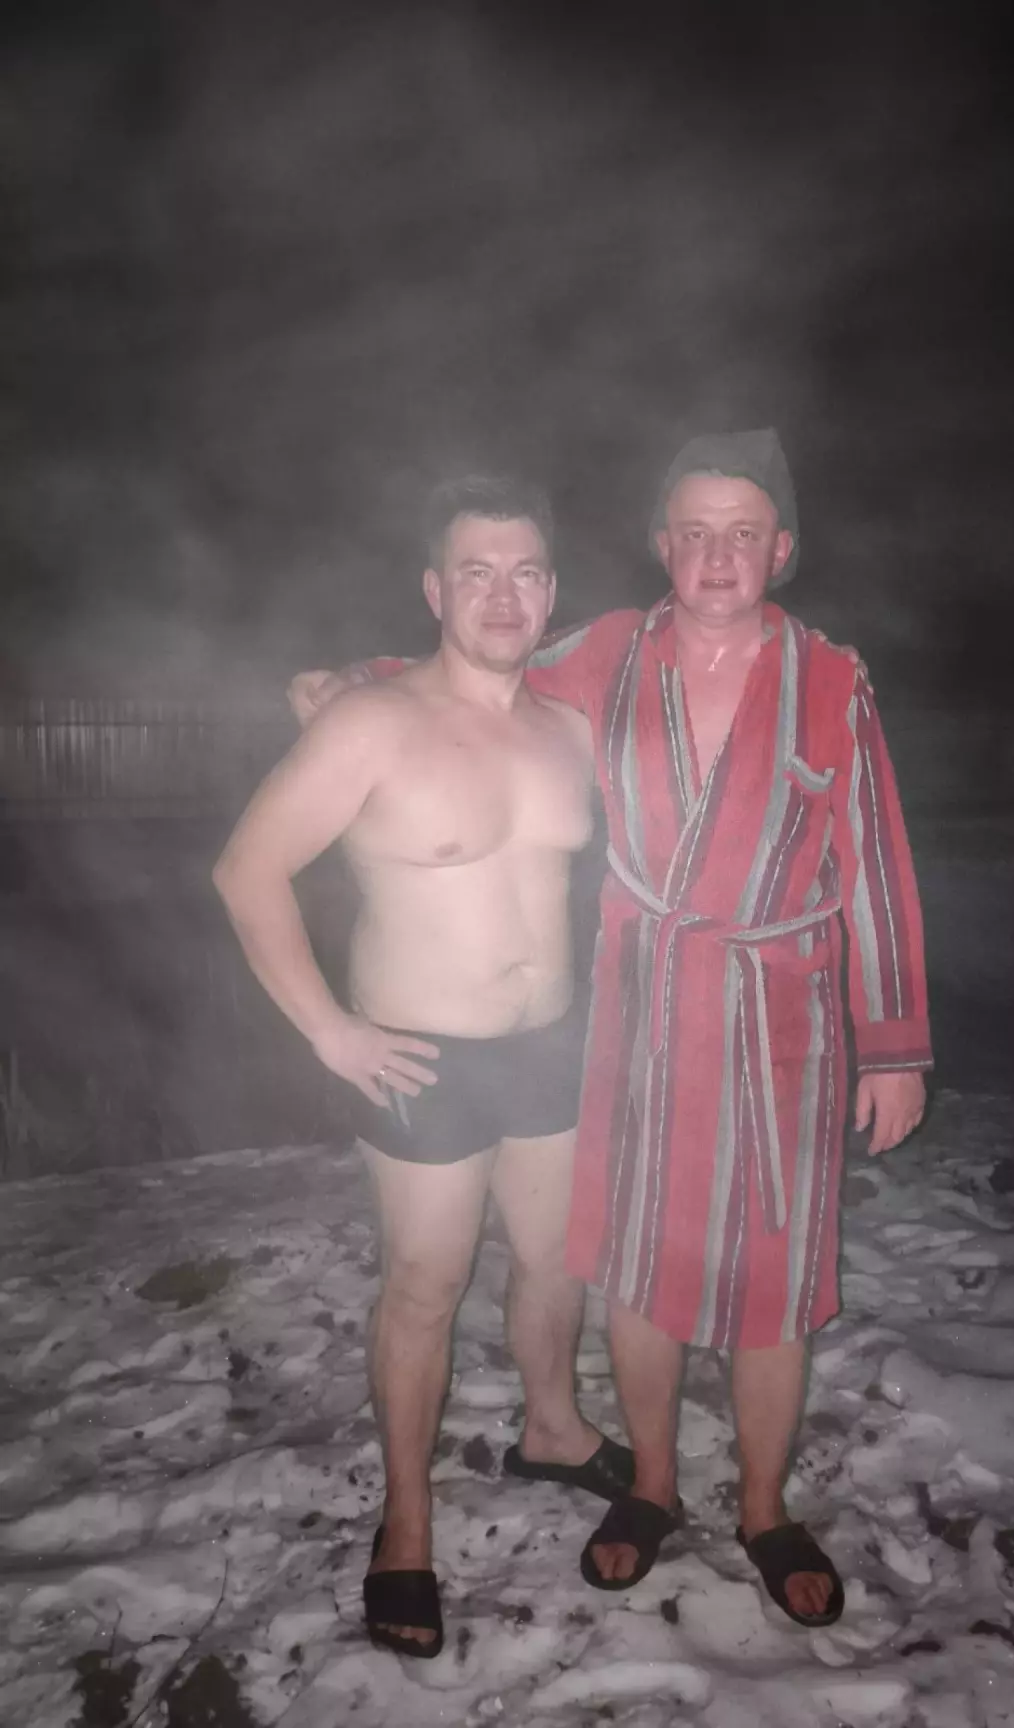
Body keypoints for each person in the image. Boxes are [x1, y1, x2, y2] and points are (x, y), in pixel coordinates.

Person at [296, 430, 931, 1629]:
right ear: (661, 547)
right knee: (639, 1266)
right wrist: (351, 677)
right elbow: (478, 666)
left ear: (781, 550)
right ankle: (649, 1484)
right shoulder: (606, 654)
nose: (717, 556)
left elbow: (878, 867)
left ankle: (764, 1508)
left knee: (774, 1277)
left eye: (743, 533)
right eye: (693, 532)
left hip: (784, 1013)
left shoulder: (832, 681)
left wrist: (892, 1042)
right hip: (642, 1012)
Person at [213, 474, 633, 1662]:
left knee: (556, 1263)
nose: (503, 595)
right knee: (423, 1287)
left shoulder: (570, 731)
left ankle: (553, 1427)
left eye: (526, 573)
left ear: (550, 591)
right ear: (436, 590)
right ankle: (406, 1523)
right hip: (420, 1060)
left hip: (552, 1044)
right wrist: (328, 1030)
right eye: (477, 573)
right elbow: (247, 871)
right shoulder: (370, 722)